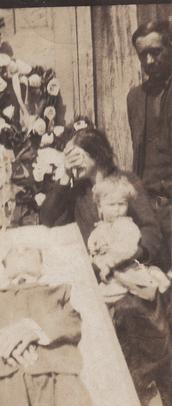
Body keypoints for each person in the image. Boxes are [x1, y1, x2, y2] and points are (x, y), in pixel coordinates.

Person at [40, 124, 172, 406]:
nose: (74, 159)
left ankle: (149, 395)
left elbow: (151, 230)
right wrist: (64, 176)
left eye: (80, 153)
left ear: (96, 154)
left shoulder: (125, 181)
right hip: (96, 277)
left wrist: (129, 256)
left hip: (131, 268)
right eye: (70, 154)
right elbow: (46, 219)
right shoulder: (77, 192)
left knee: (131, 311)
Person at [0, 246, 92, 406]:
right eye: (13, 250)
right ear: (5, 268)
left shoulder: (60, 291)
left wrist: (35, 329)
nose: (21, 250)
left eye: (28, 250)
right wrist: (7, 339)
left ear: (42, 267)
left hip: (54, 373)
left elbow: (71, 319)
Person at [128, 20, 172, 272]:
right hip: (148, 212)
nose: (149, 61)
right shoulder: (134, 98)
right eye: (143, 54)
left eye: (156, 51)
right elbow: (139, 155)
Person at [88, 173, 170, 303]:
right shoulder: (100, 228)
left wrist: (108, 264)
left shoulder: (127, 226)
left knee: (127, 295)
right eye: (111, 204)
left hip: (127, 269)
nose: (117, 209)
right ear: (100, 207)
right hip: (109, 273)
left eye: (122, 204)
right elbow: (93, 246)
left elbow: (128, 249)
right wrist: (95, 251)